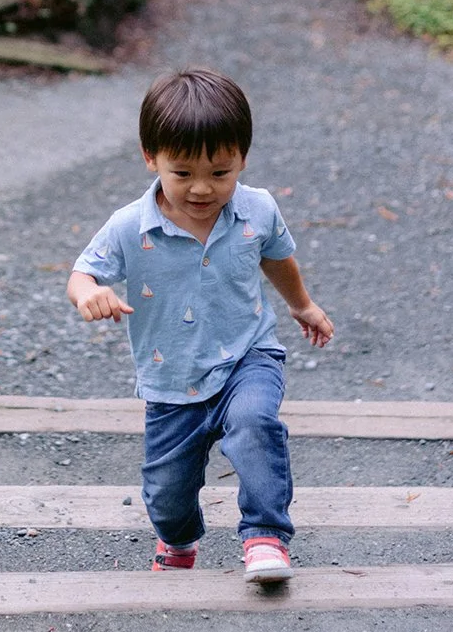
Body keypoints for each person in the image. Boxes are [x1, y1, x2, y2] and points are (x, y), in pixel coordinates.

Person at [67, 67, 333, 583]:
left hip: (247, 356)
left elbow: (277, 257)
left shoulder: (257, 209)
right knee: (167, 490)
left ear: (242, 159)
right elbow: (83, 272)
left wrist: (301, 305)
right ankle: (180, 535)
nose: (203, 188)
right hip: (170, 379)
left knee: (256, 425)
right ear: (152, 158)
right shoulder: (129, 226)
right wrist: (89, 294)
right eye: (183, 173)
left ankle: (264, 536)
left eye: (220, 172)